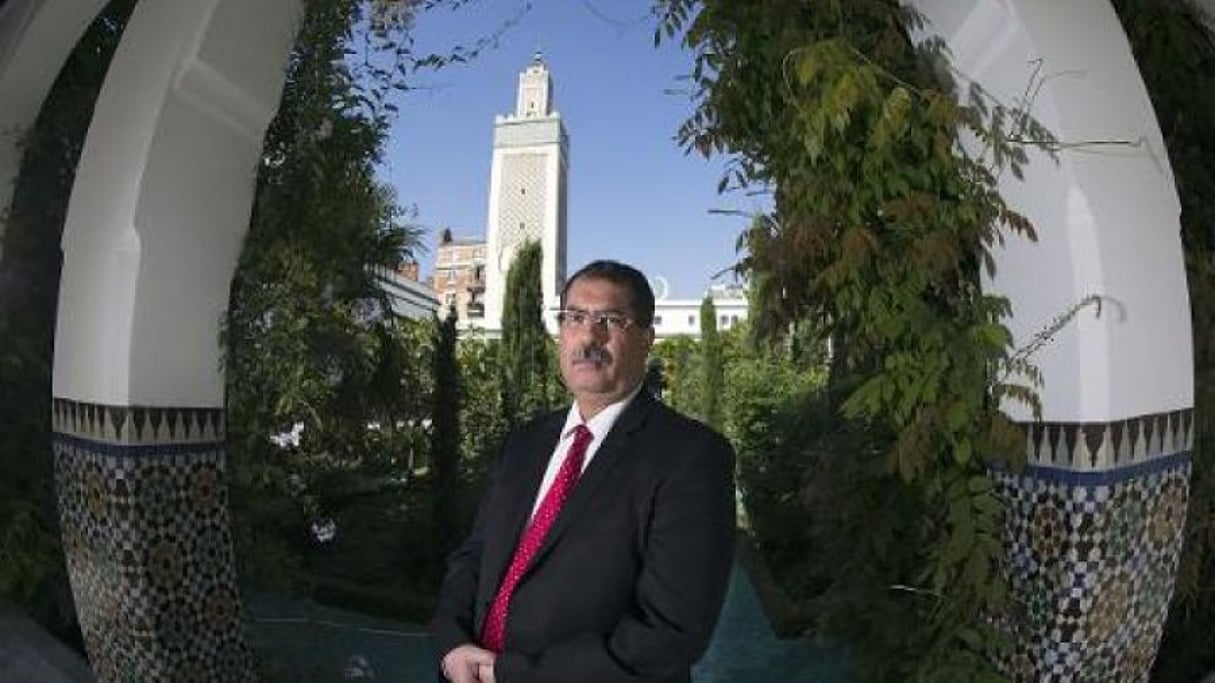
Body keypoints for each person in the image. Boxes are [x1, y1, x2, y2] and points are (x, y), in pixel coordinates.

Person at [430, 260, 736, 683]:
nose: (588, 336)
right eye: (574, 317)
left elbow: (668, 633)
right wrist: (452, 645)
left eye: (610, 320)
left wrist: (510, 673)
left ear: (647, 338)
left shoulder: (691, 457)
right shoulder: (525, 443)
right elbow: (474, 556)